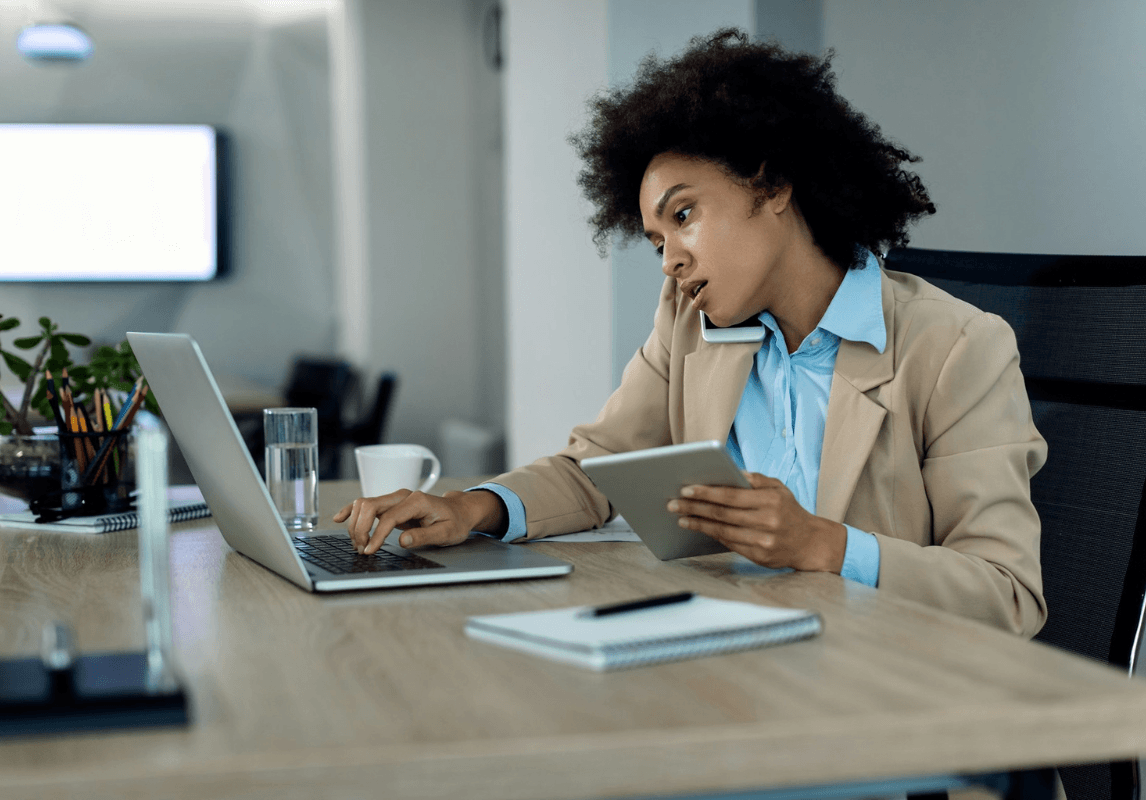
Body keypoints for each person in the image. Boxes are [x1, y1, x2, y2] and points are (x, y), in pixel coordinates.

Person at [334, 29, 1048, 637]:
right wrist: (470, 509)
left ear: (770, 186)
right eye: (654, 239)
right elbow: (599, 466)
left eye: (683, 216)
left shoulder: (957, 348)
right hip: (741, 660)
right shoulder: (692, 324)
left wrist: (824, 546)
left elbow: (1008, 593)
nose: (671, 258)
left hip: (889, 701)